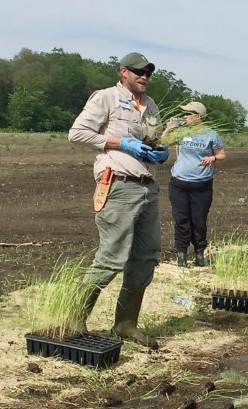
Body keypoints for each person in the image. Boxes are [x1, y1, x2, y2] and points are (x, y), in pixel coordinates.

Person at [68, 51, 169, 349]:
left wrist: (162, 153)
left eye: (148, 72)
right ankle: (72, 318)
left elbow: (155, 141)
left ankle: (126, 324)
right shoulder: (106, 98)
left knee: (146, 256)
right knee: (112, 256)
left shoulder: (150, 105)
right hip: (119, 184)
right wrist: (119, 142)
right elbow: (77, 134)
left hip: (147, 187)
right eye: (138, 72)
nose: (144, 76)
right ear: (123, 72)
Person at [165, 101, 226, 267]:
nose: (185, 117)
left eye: (188, 113)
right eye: (184, 114)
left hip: (202, 185)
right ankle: (181, 254)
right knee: (181, 219)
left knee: (199, 221)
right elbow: (163, 143)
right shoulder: (181, 132)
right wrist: (170, 128)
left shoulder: (211, 135)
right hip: (179, 183)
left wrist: (213, 158)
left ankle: (199, 252)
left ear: (198, 116)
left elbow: (221, 155)